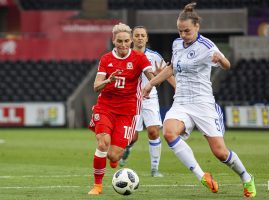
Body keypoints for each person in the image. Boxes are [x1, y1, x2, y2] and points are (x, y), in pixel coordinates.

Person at [142, 2, 256, 198]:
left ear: (197, 27)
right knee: (169, 133)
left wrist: (221, 60)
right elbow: (171, 68)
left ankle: (246, 177)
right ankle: (202, 176)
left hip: (203, 104)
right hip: (181, 102)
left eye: (187, 31)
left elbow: (227, 64)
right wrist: (151, 83)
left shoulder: (207, 46)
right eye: (180, 31)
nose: (183, 35)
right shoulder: (177, 43)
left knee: (220, 153)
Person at [87, 22, 155, 195]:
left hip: (128, 110)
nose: (123, 45)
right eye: (119, 41)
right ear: (113, 40)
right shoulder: (106, 59)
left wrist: (158, 76)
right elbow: (96, 87)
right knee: (103, 143)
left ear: (131, 41)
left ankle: (115, 159)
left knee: (114, 155)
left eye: (126, 41)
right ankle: (97, 186)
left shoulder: (139, 58)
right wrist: (107, 81)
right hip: (105, 107)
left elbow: (151, 77)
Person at [119, 26, 176, 177]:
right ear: (132, 38)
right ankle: (128, 149)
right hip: (131, 99)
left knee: (153, 131)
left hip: (150, 98)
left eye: (142, 35)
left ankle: (154, 169)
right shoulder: (124, 56)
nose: (139, 38)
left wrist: (177, 87)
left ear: (146, 38)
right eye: (136, 35)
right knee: (132, 137)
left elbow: (167, 73)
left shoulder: (154, 56)